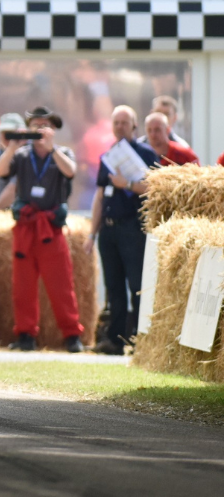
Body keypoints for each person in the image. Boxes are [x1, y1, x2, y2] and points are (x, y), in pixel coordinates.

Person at [0, 106, 84, 352]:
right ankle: (25, 335)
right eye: (35, 125)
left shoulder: (62, 153)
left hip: (50, 229)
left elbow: (70, 171)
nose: (40, 129)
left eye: (44, 125)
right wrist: (12, 145)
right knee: (23, 285)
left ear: (53, 129)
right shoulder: (21, 155)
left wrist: (51, 147)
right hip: (25, 227)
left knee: (61, 285)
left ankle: (72, 335)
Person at [90, 105, 155, 354]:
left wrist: (126, 184)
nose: (120, 127)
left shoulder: (146, 154)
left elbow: (153, 188)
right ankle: (115, 340)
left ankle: (139, 341)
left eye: (124, 123)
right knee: (113, 286)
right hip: (108, 229)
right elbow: (98, 196)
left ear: (134, 126)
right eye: (116, 123)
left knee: (136, 284)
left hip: (132, 227)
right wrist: (92, 233)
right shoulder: (108, 156)